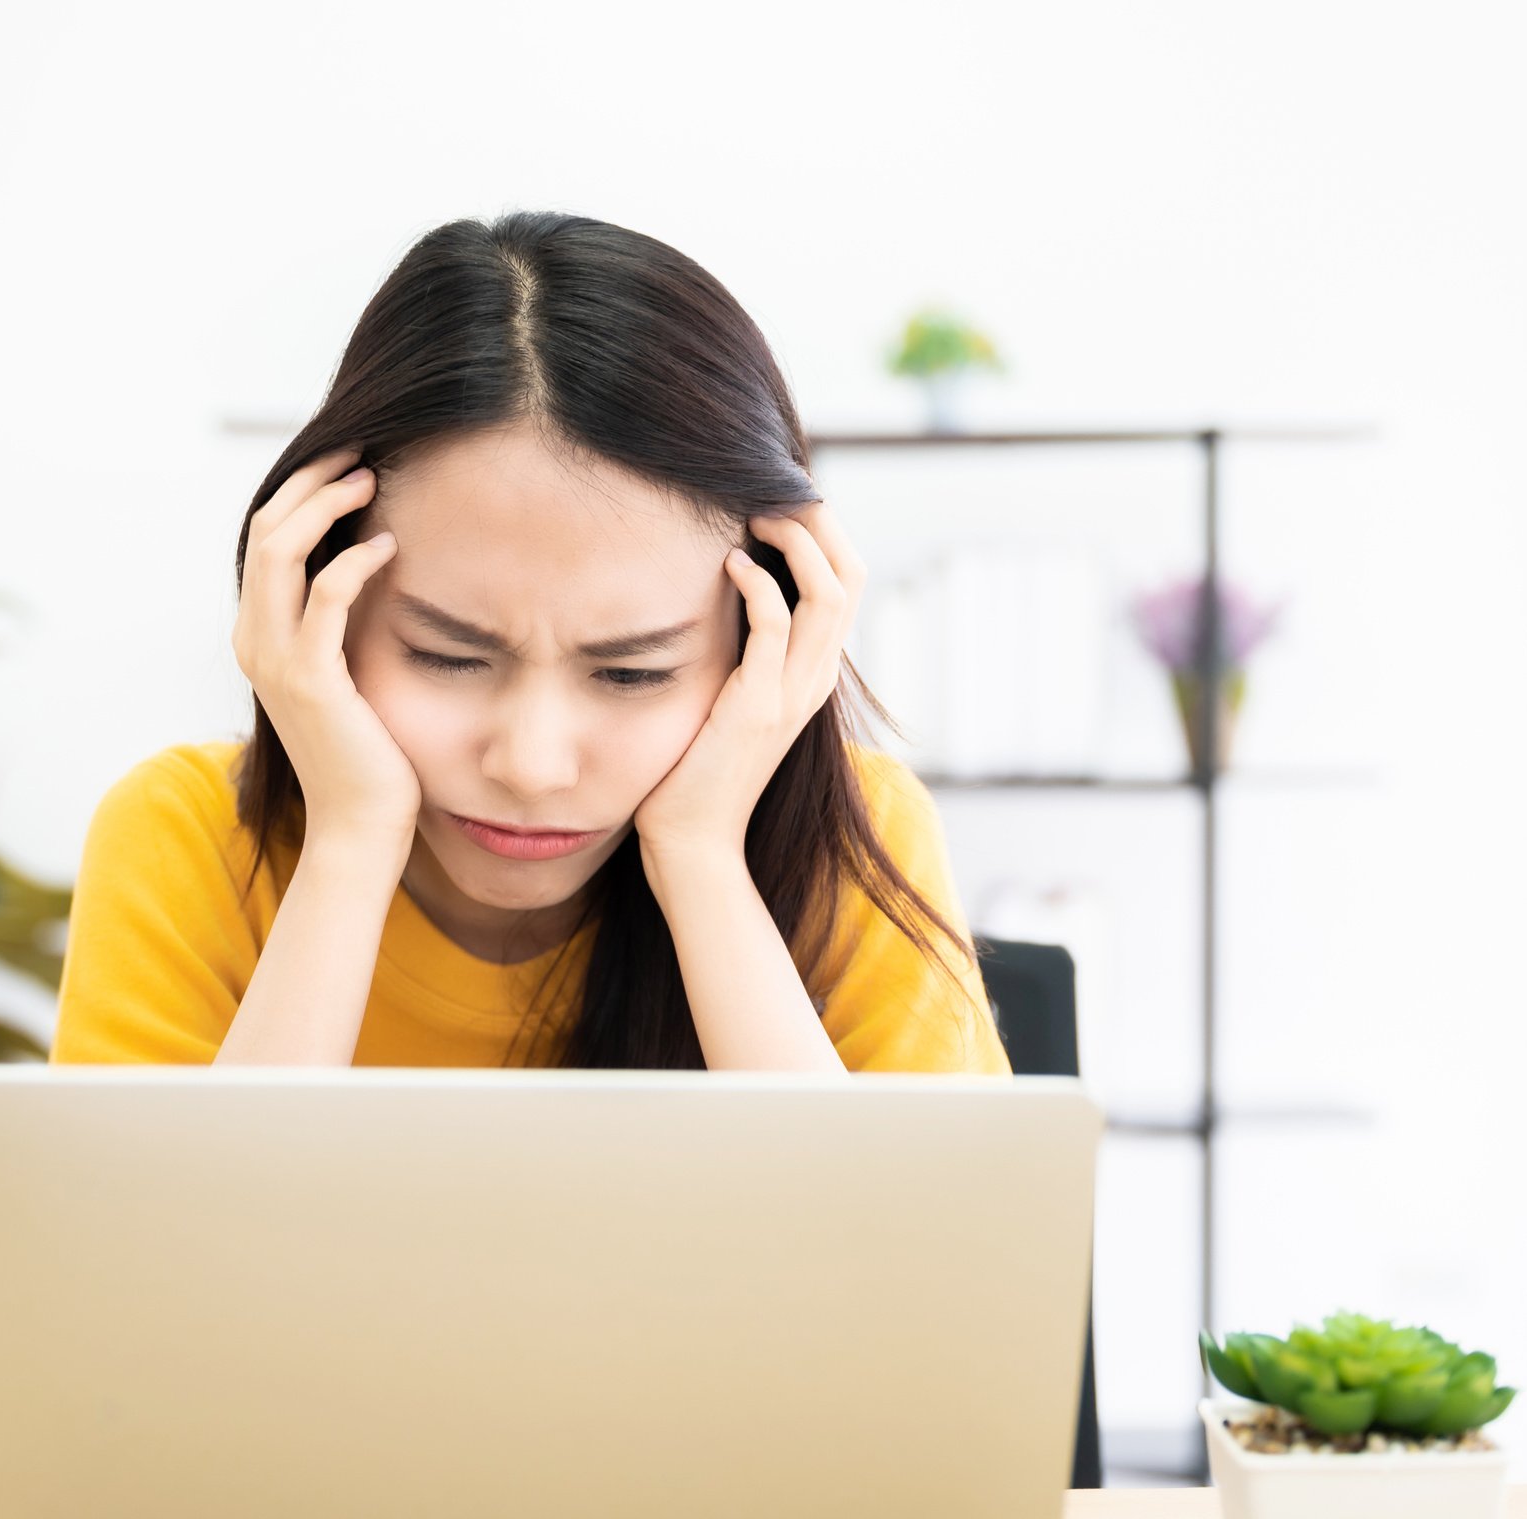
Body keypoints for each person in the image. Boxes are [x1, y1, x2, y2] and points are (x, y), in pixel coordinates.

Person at [50, 211, 1010, 1076]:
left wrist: (703, 856)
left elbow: (896, 1268)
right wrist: (349, 843)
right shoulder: (185, 841)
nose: (533, 765)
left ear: (777, 632)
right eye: (448, 655)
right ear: (309, 598)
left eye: (633, 670)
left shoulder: (855, 845)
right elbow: (180, 1269)